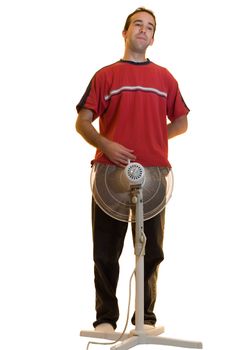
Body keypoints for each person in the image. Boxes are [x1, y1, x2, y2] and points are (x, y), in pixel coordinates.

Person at [75, 7, 189, 333]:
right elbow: (82, 122)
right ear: (125, 33)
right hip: (110, 173)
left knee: (151, 250)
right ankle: (106, 319)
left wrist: (156, 137)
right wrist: (106, 144)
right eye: (137, 24)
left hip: (154, 176)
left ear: (153, 38)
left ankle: (145, 318)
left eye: (149, 27)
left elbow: (181, 121)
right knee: (106, 249)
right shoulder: (106, 76)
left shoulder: (165, 78)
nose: (143, 29)